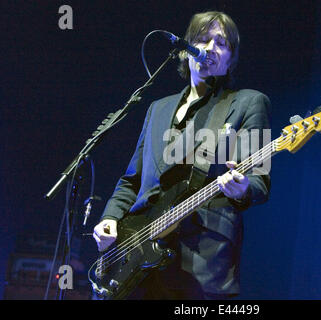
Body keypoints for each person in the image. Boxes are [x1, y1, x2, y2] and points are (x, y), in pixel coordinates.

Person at [93, 11, 271, 299]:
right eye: (202, 40)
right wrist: (110, 218)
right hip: (136, 259)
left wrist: (242, 187)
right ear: (184, 50)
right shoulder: (157, 109)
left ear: (230, 59)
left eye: (221, 43)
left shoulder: (249, 102)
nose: (210, 48)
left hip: (201, 263)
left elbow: (259, 181)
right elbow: (131, 181)